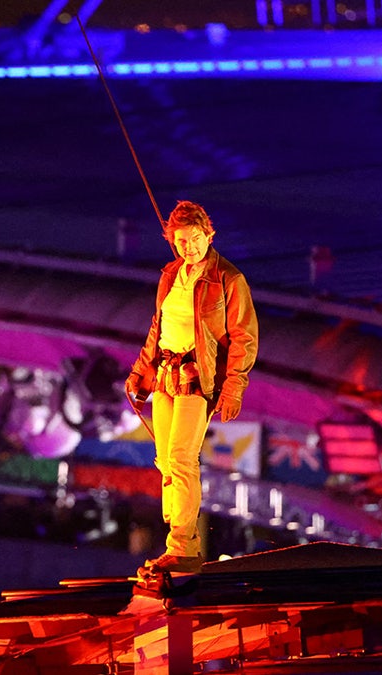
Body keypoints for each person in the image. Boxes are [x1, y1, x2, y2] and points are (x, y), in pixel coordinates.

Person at [125, 201, 258, 575]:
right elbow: (158, 326)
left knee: (182, 459)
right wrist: (139, 373)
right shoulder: (170, 274)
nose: (190, 248)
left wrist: (234, 388)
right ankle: (177, 532)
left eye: (195, 239)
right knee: (166, 461)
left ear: (208, 235)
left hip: (198, 377)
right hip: (166, 373)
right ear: (173, 242)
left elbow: (244, 338)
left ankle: (182, 547)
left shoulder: (229, 279)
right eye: (181, 241)